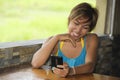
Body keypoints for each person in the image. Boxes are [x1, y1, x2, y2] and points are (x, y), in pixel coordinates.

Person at [31, 2, 99, 77]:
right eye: (76, 23)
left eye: (85, 27)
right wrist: (57, 37)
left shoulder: (91, 39)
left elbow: (90, 66)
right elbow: (35, 63)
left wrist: (71, 71)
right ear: (69, 20)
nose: (78, 30)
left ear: (89, 29)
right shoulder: (55, 41)